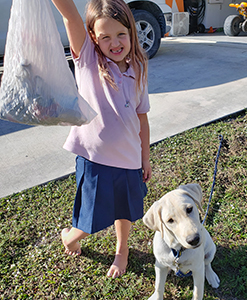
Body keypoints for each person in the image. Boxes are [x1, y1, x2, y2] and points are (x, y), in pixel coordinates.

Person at [51, 0, 152, 279]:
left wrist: (144, 157)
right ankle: (70, 237)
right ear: (93, 38)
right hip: (95, 159)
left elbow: (142, 118)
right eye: (105, 36)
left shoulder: (139, 70)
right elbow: (70, 15)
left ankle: (122, 251)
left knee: (125, 212)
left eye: (121, 34)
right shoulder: (88, 59)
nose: (115, 43)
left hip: (130, 158)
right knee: (90, 217)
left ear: (132, 32)